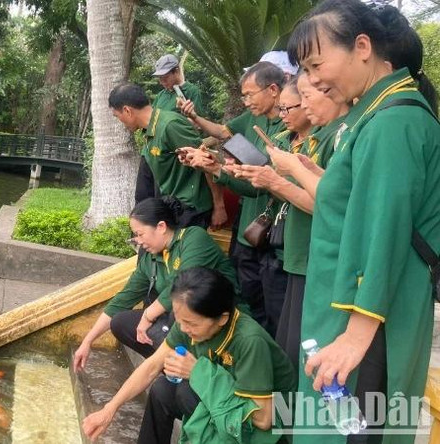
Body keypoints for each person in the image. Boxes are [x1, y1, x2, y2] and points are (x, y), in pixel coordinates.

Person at [286, 1, 440, 442]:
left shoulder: (393, 122)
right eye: (305, 70)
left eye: (316, 65)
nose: (313, 81)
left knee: (354, 430)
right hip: (348, 305)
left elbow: (385, 231)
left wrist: (355, 338)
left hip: (370, 319)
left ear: (362, 47)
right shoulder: (372, 117)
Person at [82, 267, 296, 444]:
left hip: (273, 428)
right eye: (179, 319)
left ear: (222, 319)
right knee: (163, 390)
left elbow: (263, 418)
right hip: (227, 401)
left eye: (191, 323)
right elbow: (151, 367)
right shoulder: (188, 323)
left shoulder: (250, 341)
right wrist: (109, 409)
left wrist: (198, 372)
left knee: (185, 392)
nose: (183, 329)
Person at [243, 73, 349, 369]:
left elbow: (327, 204)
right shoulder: (319, 136)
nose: (283, 114)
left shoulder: (339, 135)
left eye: (304, 98)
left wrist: (278, 180)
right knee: (289, 343)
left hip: (317, 256)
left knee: (306, 350)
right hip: (297, 254)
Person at [178, 62, 289, 336]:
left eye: (250, 94)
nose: (246, 101)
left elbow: (257, 184)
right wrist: (199, 129)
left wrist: (217, 168)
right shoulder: (252, 119)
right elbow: (222, 132)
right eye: (243, 96)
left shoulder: (290, 129)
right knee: (248, 296)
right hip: (247, 228)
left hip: (274, 234)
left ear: (273, 90)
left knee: (274, 308)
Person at [73, 197, 238, 371]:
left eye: (140, 234)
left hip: (218, 321)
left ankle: (189, 369)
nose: (138, 241)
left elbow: (182, 286)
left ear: (161, 227)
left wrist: (148, 316)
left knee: (178, 310)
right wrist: (88, 341)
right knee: (120, 322)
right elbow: (123, 299)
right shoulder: (151, 258)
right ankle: (170, 369)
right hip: (184, 324)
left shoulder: (194, 238)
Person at [109, 83, 222, 228]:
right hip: (173, 208)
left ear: (127, 110)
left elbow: (208, 163)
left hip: (191, 210)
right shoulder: (149, 131)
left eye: (117, 116)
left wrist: (219, 207)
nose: (120, 122)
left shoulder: (170, 125)